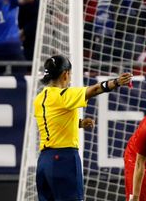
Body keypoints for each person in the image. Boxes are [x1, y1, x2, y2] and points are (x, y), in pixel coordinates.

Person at [34, 55, 132, 201]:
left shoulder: (39, 98)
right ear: (65, 74)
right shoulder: (63, 94)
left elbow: (53, 121)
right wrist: (116, 82)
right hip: (64, 159)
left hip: (44, 162)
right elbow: (94, 90)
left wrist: (79, 123)